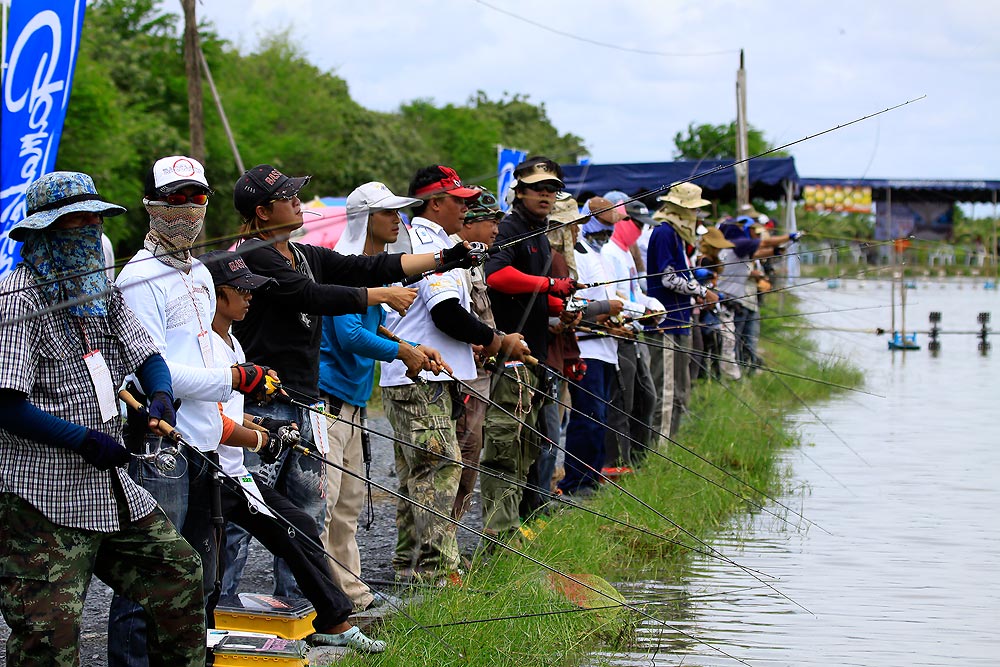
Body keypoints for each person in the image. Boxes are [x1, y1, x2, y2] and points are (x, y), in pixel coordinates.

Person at [225, 164, 478, 597]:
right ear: (263, 212)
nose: (297, 202)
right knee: (246, 514)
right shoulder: (252, 254)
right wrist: (382, 296)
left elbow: (368, 268)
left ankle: (303, 606)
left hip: (305, 400)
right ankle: (222, 609)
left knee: (307, 512)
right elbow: (312, 296)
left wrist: (444, 258)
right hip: (260, 405)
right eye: (288, 197)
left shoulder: (305, 254)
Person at [0, 171, 205, 667]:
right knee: (47, 639)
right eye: (77, 224)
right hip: (40, 497)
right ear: (44, 233)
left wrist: (159, 393)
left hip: (107, 485)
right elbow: (5, 404)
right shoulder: (16, 298)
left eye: (96, 222)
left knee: (179, 573)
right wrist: (83, 440)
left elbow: (147, 353)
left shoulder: (101, 291)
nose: (91, 232)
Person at [110, 156, 280, 666]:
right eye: (175, 198)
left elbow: (205, 351)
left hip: (207, 445)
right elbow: (149, 370)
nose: (187, 209)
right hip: (162, 447)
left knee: (200, 578)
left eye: (198, 197)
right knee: (150, 579)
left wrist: (238, 401)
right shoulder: (137, 279)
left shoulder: (202, 275)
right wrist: (230, 379)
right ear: (152, 206)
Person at [200, 250, 386, 652]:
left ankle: (330, 620)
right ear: (215, 296)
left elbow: (230, 413)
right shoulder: (202, 348)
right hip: (210, 475)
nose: (251, 299)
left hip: (237, 473)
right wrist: (260, 438)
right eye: (242, 291)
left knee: (300, 523)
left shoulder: (231, 343)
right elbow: (205, 422)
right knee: (222, 546)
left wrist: (262, 427)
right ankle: (216, 623)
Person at [381, 165, 525, 581]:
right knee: (440, 466)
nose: (466, 207)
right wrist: (494, 339)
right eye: (459, 200)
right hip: (420, 379)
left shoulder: (443, 242)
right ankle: (437, 572)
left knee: (418, 476)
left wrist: (481, 340)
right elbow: (446, 314)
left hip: (431, 377)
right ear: (435, 203)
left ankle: (410, 570)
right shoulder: (427, 241)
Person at [317, 181, 446, 608]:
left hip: (352, 403)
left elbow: (367, 327)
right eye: (388, 213)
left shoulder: (369, 264)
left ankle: (350, 595)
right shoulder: (345, 264)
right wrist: (403, 350)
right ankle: (320, 600)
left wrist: (410, 347)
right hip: (328, 401)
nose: (398, 220)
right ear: (365, 218)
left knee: (348, 504)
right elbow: (349, 334)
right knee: (325, 503)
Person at [483, 156, 573, 539]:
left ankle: (522, 521)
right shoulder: (513, 227)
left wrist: (558, 307)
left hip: (536, 354)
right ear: (519, 191)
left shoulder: (539, 231)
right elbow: (497, 275)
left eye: (552, 189)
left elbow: (534, 292)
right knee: (506, 448)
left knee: (531, 445)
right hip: (510, 358)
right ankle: (500, 535)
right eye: (538, 188)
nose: (547, 195)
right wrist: (548, 287)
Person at [647, 183, 718, 437]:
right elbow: (667, 278)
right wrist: (700, 291)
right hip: (666, 324)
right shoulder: (665, 233)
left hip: (680, 320)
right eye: (693, 210)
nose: (696, 215)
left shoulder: (677, 235)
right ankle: (659, 451)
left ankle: (671, 444)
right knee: (666, 392)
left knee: (680, 389)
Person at [450, 189, 504, 520]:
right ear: (468, 224)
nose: (496, 229)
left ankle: (451, 537)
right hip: (461, 375)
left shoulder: (476, 260)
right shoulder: (454, 258)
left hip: (481, 373)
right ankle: (439, 546)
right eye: (489, 221)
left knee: (472, 454)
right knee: (461, 452)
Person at [600, 201, 663, 469]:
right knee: (622, 401)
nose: (639, 231)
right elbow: (613, 297)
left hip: (635, 331)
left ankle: (639, 459)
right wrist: (641, 309)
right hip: (618, 334)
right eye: (636, 224)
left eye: (642, 226)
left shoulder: (626, 253)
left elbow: (635, 292)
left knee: (646, 397)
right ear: (622, 221)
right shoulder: (609, 253)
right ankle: (616, 463)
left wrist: (651, 304)